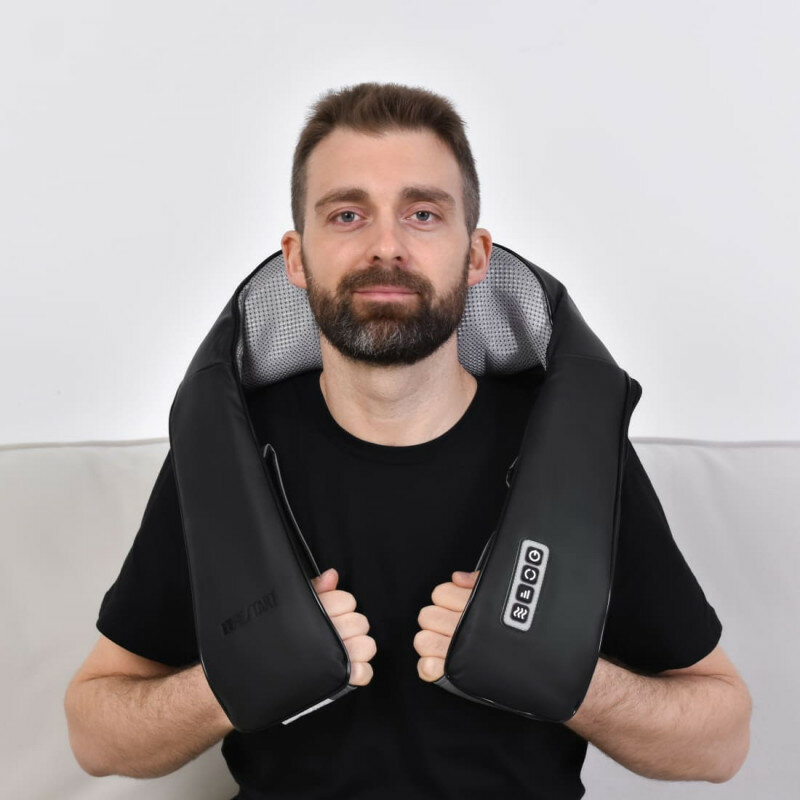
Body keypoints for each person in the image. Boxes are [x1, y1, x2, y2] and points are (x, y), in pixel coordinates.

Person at [64, 82, 751, 798]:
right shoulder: (230, 453)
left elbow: (722, 740)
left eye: (423, 214)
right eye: (348, 214)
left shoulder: (572, 454)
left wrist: (570, 677)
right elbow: (94, 734)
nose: (386, 246)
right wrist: (230, 682)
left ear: (476, 255)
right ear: (296, 259)